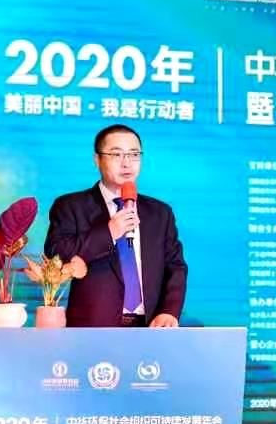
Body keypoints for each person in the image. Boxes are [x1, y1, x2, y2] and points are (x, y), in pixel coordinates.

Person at [44, 124, 187, 327]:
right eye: (116, 154)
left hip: (152, 327)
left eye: (134, 154)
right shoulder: (70, 206)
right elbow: (56, 255)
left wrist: (169, 311)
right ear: (97, 160)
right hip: (93, 328)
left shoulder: (160, 213)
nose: (126, 163)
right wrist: (109, 232)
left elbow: (175, 266)